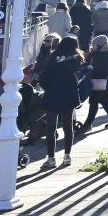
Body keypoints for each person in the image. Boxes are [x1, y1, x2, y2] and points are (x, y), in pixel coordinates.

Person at [36, 35, 86, 170]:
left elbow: (44, 76)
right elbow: (80, 75)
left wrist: (47, 86)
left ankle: (51, 158)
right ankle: (67, 156)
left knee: (51, 128)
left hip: (53, 94)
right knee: (68, 126)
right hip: (69, 95)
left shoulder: (53, 57)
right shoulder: (77, 58)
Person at [81, 34, 108, 134]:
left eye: (93, 44)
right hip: (96, 81)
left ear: (99, 45)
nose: (92, 46)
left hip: (106, 82)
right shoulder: (95, 53)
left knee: (102, 101)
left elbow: (105, 71)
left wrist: (92, 70)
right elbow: (87, 63)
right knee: (97, 101)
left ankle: (88, 124)